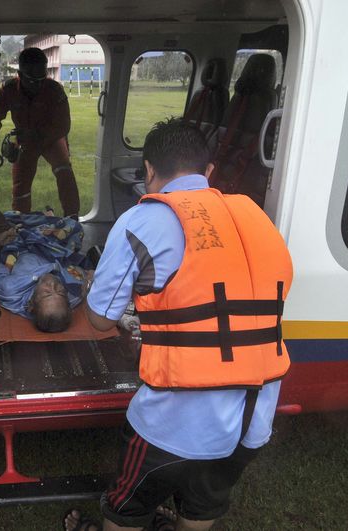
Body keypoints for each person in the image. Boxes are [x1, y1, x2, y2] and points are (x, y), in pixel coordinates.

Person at [65, 119, 294, 530]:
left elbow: (100, 320)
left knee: (126, 510)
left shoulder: (142, 222)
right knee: (201, 508)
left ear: (149, 171)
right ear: (208, 174)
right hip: (253, 418)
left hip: (174, 424)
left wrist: (89, 286)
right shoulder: (258, 218)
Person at [0, 47, 80, 217]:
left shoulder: (54, 90)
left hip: (51, 139)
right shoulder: (9, 89)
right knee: (20, 185)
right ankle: (22, 222)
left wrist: (37, 135)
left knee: (64, 172)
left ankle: (72, 219)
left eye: (42, 79)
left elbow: (64, 126)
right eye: (32, 80)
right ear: (19, 74)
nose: (38, 84)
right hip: (25, 141)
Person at [0, 198, 88, 333]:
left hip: (13, 246)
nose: (53, 285)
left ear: (31, 305)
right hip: (48, 247)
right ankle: (35, 219)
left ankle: (25, 220)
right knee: (74, 226)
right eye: (61, 292)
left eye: (46, 293)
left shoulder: (10, 289)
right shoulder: (74, 294)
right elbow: (81, 274)